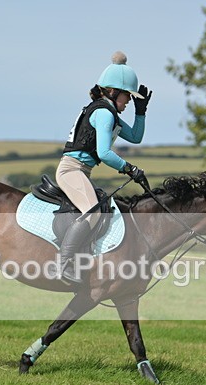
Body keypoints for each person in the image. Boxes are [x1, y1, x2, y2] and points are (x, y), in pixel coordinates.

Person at [56, 51, 152, 284]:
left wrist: (140, 113)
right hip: (71, 170)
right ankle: (63, 264)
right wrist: (129, 168)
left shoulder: (110, 113)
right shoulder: (103, 113)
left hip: (82, 171)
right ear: (113, 91)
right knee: (93, 212)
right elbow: (104, 153)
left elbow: (136, 137)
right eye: (127, 96)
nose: (128, 101)